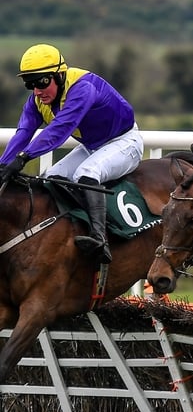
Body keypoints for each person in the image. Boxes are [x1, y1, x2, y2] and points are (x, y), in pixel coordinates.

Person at [0, 44, 144, 263]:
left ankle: (100, 239)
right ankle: (71, 229)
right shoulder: (36, 102)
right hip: (92, 146)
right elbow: (23, 133)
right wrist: (4, 164)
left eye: (42, 82)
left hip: (125, 142)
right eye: (30, 84)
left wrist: (23, 158)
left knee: (87, 173)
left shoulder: (82, 89)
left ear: (59, 75)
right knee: (52, 177)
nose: (37, 90)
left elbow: (58, 130)